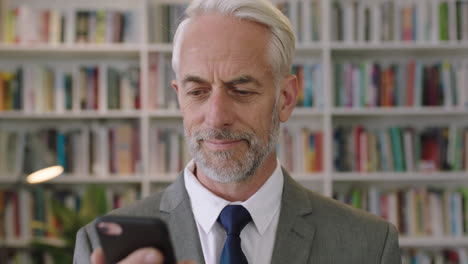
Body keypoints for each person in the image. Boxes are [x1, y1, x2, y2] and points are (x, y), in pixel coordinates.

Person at [74, 0, 401, 263]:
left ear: (285, 99)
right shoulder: (99, 247)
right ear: (178, 96)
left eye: (242, 91)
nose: (216, 118)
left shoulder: (369, 245)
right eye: (197, 92)